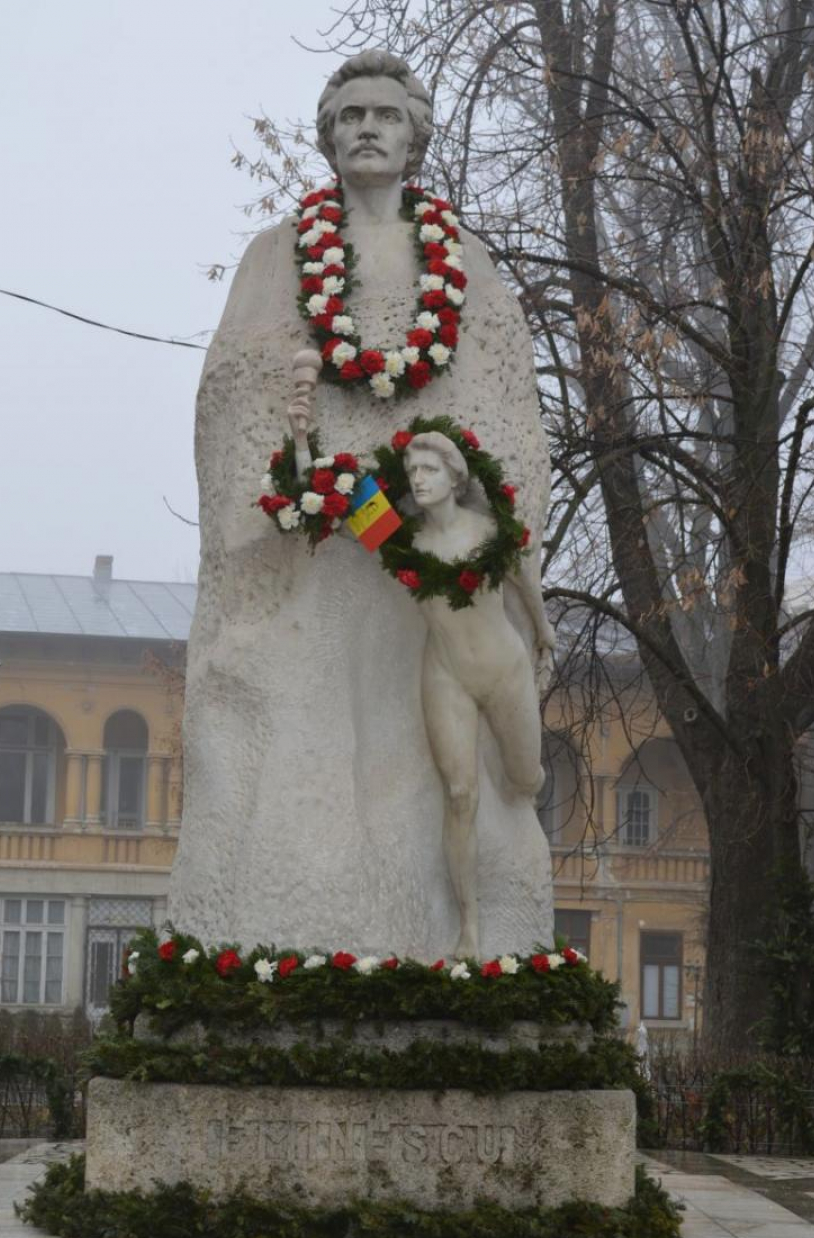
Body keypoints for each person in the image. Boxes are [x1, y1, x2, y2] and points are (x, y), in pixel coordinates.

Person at [169, 51, 555, 958]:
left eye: (385, 113)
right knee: (301, 737)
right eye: (350, 116)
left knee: (459, 776)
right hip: (322, 552)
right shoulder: (277, 255)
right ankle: (271, 941)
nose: (367, 127)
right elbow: (230, 384)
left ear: (414, 135)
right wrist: (305, 468)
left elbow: (506, 409)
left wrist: (462, 505)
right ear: (330, 135)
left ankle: (460, 938)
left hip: (429, 569)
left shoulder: (466, 263)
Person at [404, 432, 550, 954]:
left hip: (504, 670)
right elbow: (337, 508)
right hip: (446, 676)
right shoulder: (406, 543)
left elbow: (524, 582)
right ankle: (469, 926)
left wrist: (545, 633)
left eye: (428, 470)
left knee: (522, 778)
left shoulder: (488, 531)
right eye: (412, 471)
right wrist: (305, 441)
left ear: (455, 477)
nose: (418, 479)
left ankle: (529, 771)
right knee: (461, 795)